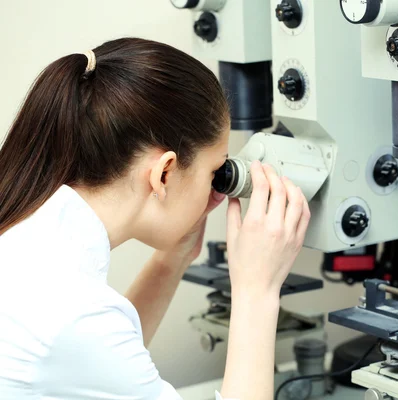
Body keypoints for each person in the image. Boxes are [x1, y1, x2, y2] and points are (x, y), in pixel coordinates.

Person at [0, 37, 310, 400]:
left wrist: (173, 258)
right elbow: (87, 339)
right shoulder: (73, 313)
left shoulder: (31, 239)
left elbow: (105, 369)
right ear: (164, 173)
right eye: (215, 170)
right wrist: (258, 289)